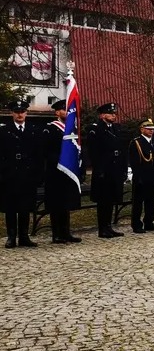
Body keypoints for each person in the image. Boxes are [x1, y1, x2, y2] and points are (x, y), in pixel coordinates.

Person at [1, 99, 43, 248]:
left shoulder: (33, 129)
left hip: (28, 175)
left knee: (25, 207)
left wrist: (38, 175)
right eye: (17, 112)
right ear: (12, 113)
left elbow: (39, 154)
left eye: (22, 112)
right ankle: (11, 237)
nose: (20, 115)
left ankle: (24, 236)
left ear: (26, 113)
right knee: (11, 207)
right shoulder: (4, 130)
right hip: (10, 175)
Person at [40, 99, 81, 244]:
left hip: (69, 171)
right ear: (57, 112)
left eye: (68, 109)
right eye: (64, 109)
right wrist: (62, 159)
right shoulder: (51, 128)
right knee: (56, 203)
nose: (66, 112)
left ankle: (66, 232)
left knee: (66, 202)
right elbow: (46, 150)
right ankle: (56, 233)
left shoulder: (73, 128)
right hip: (55, 171)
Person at [84, 102, 128, 238]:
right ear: (102, 115)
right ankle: (102, 228)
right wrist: (100, 169)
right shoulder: (95, 129)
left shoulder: (116, 128)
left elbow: (121, 149)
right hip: (103, 170)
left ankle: (109, 226)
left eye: (114, 113)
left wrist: (123, 169)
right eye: (110, 113)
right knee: (103, 200)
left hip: (115, 169)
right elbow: (94, 151)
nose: (113, 116)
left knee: (111, 199)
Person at [128, 119, 154, 233]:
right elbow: (135, 162)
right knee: (138, 202)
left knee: (151, 201)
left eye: (152, 129)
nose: (151, 131)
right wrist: (138, 177)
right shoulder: (136, 142)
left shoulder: (153, 142)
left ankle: (149, 222)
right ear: (142, 129)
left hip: (153, 177)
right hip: (142, 177)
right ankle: (136, 224)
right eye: (148, 129)